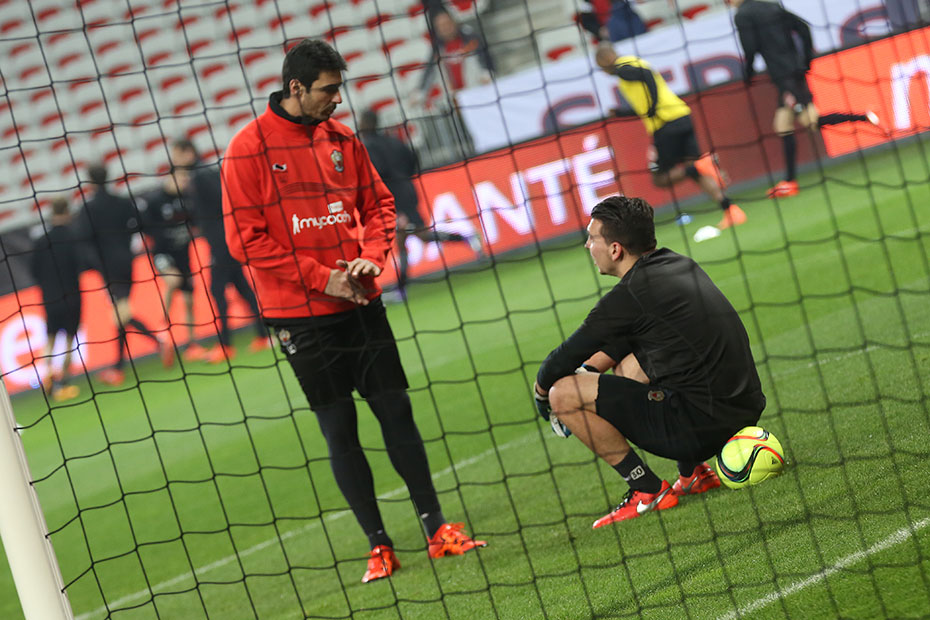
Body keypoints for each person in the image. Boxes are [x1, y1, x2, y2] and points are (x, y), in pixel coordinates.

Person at [221, 38, 486, 584]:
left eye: (338, 90)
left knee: (397, 412)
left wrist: (371, 257)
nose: (337, 100)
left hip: (362, 305)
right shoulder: (247, 150)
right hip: (300, 318)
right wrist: (324, 279)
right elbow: (244, 241)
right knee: (339, 428)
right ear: (296, 87)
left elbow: (380, 204)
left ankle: (437, 528)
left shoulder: (343, 139)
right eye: (328, 90)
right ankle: (379, 546)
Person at [533, 195, 766, 528]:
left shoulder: (627, 297)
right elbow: (625, 339)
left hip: (702, 429)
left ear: (615, 249)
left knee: (563, 393)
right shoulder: (678, 263)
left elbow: (562, 358)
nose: (587, 246)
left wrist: (542, 394)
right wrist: (589, 371)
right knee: (633, 359)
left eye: (592, 238)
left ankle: (646, 490)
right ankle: (693, 474)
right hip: (743, 410)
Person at [731, 0, 880, 198]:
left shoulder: (743, 15)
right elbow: (803, 28)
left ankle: (790, 182)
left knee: (796, 123)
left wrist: (748, 75)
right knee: (798, 123)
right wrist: (806, 60)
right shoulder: (772, 6)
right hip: (794, 72)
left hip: (784, 78)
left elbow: (749, 48)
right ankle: (864, 117)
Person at [595, 46, 746, 230]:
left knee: (660, 178)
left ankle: (701, 165)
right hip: (681, 114)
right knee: (693, 170)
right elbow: (644, 101)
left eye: (601, 67)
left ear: (605, 61)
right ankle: (731, 210)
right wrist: (621, 113)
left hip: (665, 124)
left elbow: (646, 77)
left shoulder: (622, 69)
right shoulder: (634, 61)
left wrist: (653, 106)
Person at [357, 109, 483, 300]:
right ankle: (465, 238)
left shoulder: (368, 146)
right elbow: (412, 158)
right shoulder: (393, 140)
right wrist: (405, 177)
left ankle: (402, 288)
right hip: (408, 189)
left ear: (366, 124)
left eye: (361, 122)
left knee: (408, 238)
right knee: (413, 238)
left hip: (393, 196)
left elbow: (379, 172)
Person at [170, 139, 270, 363]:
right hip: (223, 239)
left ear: (188, 152)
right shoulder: (199, 174)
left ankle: (225, 345)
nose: (174, 159)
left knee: (217, 290)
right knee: (242, 288)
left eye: (176, 154)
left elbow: (223, 202)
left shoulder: (201, 175)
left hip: (222, 242)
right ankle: (263, 336)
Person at [76, 163, 171, 386]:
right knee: (120, 314)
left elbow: (83, 240)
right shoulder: (122, 201)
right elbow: (140, 224)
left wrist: (94, 265)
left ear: (89, 181)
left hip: (107, 266)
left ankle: (158, 342)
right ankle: (118, 368)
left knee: (120, 314)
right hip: (127, 262)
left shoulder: (88, 208)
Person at [141, 166, 204, 361]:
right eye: (181, 177)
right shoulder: (155, 200)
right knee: (173, 280)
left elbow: (196, 222)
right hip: (163, 253)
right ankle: (164, 321)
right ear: (171, 177)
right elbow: (145, 226)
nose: (185, 181)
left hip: (183, 253)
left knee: (189, 301)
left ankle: (192, 344)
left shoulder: (188, 199)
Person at [31, 196, 82, 401]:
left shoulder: (42, 241)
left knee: (50, 338)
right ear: (68, 212)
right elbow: (80, 264)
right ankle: (64, 382)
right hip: (71, 296)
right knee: (70, 340)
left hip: (50, 298)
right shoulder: (73, 237)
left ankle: (47, 377)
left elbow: (34, 271)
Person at [578, 0, 647, 44]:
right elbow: (586, 21)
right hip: (608, 35)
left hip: (629, 26)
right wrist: (599, 30)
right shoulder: (587, 3)